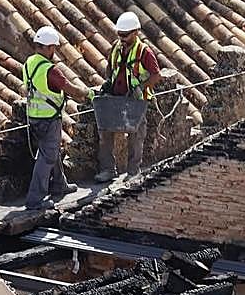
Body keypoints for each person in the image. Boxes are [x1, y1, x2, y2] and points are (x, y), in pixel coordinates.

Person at [23, 26, 85, 210]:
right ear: (49, 47)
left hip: (33, 117)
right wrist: (87, 94)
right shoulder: (51, 70)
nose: (54, 52)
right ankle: (35, 199)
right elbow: (70, 89)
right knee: (47, 157)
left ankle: (59, 184)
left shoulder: (29, 63)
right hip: (49, 118)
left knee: (52, 151)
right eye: (53, 48)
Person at [96, 11, 160, 182]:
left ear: (136, 32)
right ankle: (108, 170)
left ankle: (133, 171)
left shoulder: (144, 52)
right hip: (115, 97)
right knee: (106, 131)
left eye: (125, 35)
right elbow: (110, 66)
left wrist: (141, 87)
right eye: (120, 34)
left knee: (136, 135)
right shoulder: (116, 47)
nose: (122, 38)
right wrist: (108, 81)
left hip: (136, 100)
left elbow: (156, 75)